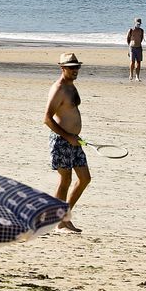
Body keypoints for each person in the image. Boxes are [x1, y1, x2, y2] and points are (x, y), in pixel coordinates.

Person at [44, 53, 89, 233]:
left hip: (74, 141)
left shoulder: (71, 87)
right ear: (62, 68)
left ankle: (62, 217)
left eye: (76, 67)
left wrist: (75, 136)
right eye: (71, 67)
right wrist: (67, 136)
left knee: (85, 179)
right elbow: (47, 119)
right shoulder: (59, 89)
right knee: (66, 180)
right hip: (61, 141)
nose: (75, 70)